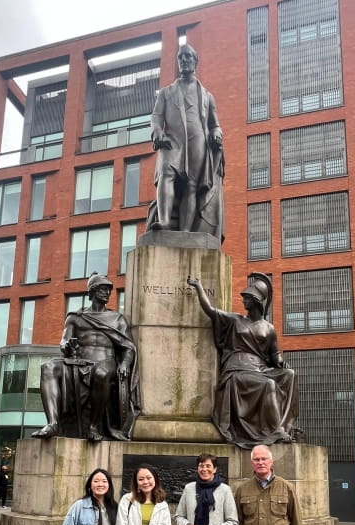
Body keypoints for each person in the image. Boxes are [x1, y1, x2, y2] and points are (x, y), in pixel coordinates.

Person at [187, 273, 298, 448]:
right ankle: (276, 430)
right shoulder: (235, 320)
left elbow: (274, 354)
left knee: (290, 374)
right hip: (238, 369)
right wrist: (198, 286)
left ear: (256, 301)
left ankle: (285, 425)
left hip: (260, 368)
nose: (243, 301)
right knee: (268, 384)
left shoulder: (269, 328)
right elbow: (210, 309)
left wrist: (281, 362)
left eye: (247, 298)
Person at [32, 273, 140, 442]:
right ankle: (52, 423)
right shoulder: (76, 317)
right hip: (78, 361)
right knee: (48, 367)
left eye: (108, 290)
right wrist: (66, 346)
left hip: (106, 361)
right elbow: (64, 341)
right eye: (102, 289)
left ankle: (94, 426)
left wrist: (125, 363)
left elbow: (128, 347)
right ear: (92, 291)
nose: (107, 293)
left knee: (102, 373)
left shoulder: (117, 319)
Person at [147, 44, 225, 241]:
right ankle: (164, 221)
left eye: (188, 56)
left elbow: (215, 124)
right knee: (166, 173)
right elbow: (156, 117)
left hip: (198, 140)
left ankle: (186, 232)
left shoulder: (207, 96)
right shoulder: (166, 92)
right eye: (180, 57)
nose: (184, 60)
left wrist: (217, 133)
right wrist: (157, 131)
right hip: (171, 140)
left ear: (195, 60)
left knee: (191, 185)